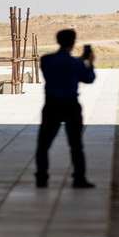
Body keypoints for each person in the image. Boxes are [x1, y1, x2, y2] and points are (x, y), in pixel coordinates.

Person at [36, 29, 96, 188]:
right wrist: (89, 62)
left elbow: (58, 66)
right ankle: (79, 178)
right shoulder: (76, 64)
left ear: (58, 41)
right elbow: (89, 79)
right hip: (71, 106)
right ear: (73, 42)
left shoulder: (46, 60)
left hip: (51, 105)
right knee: (76, 145)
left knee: (43, 145)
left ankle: (41, 178)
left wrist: (78, 61)